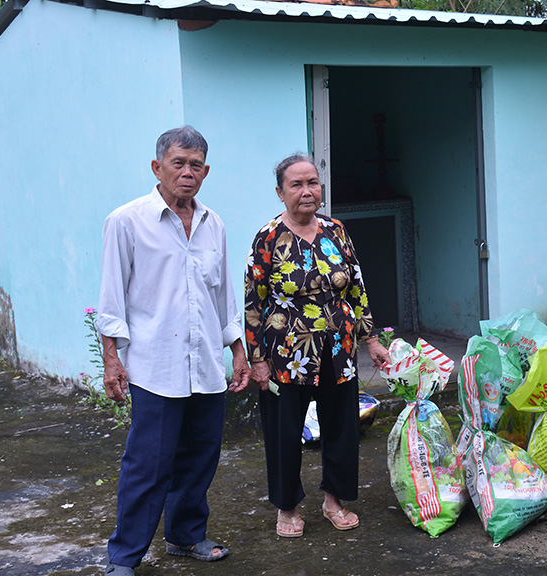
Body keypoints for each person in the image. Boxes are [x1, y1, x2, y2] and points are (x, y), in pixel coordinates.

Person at [97, 126, 251, 576]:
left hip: (205, 365)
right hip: (155, 365)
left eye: (196, 165)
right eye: (178, 163)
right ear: (157, 167)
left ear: (206, 171)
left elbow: (223, 297)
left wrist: (237, 350)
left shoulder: (213, 223)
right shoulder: (126, 221)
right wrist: (112, 358)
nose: (187, 172)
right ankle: (124, 556)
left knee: (200, 457)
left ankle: (185, 535)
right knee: (147, 464)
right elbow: (111, 298)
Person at [244, 154, 390, 538]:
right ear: (280, 192)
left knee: (342, 428)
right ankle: (287, 507)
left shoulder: (335, 230)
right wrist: (257, 360)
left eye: (313, 182)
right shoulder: (268, 238)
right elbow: (254, 303)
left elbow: (356, 286)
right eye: (296, 184)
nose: (307, 191)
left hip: (338, 349)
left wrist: (371, 339)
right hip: (286, 354)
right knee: (285, 433)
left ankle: (334, 501)